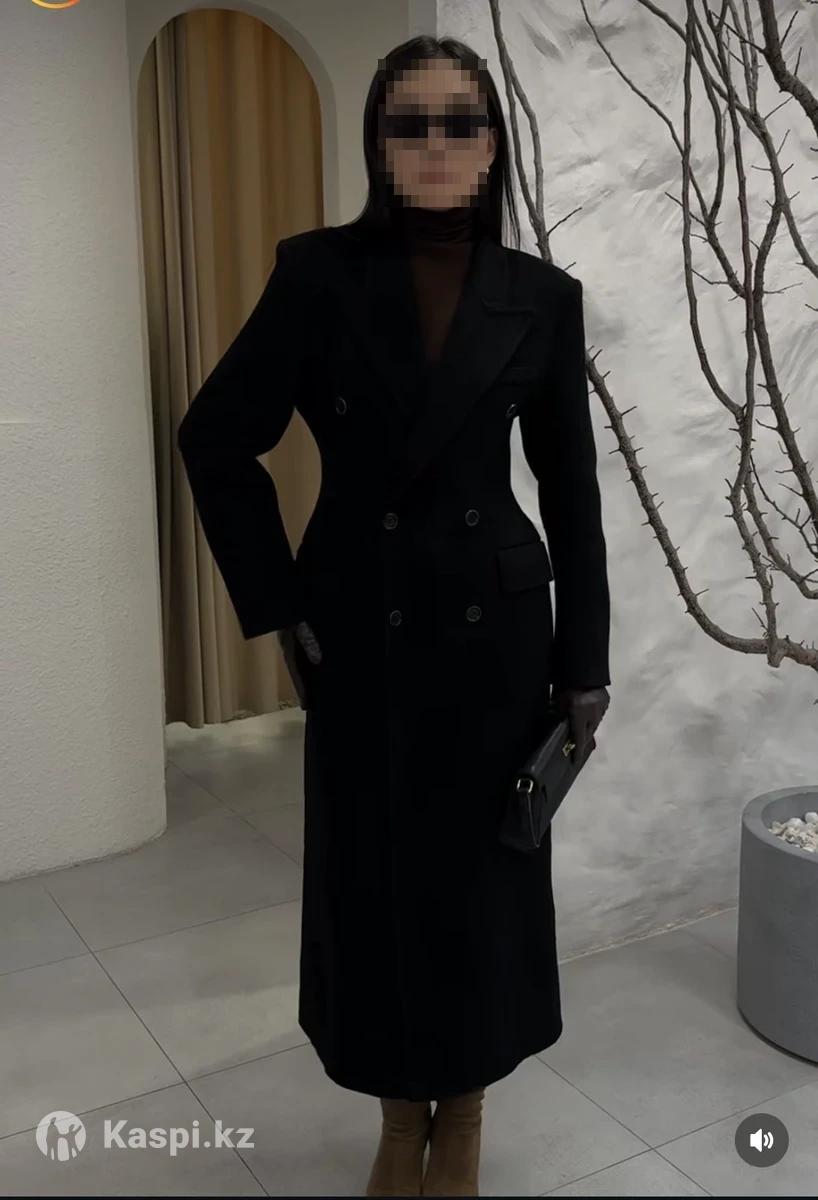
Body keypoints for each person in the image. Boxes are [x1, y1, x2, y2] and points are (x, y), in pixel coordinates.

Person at [177, 33, 611, 1198]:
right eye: (407, 123)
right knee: (374, 882)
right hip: (359, 625)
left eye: (457, 122)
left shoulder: (540, 297)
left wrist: (584, 664)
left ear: (490, 145)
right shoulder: (316, 274)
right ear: (377, 142)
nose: (433, 144)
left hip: (496, 639)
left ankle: (459, 1116)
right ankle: (394, 1116)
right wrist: (279, 604)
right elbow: (214, 439)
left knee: (480, 883)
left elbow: (569, 493)